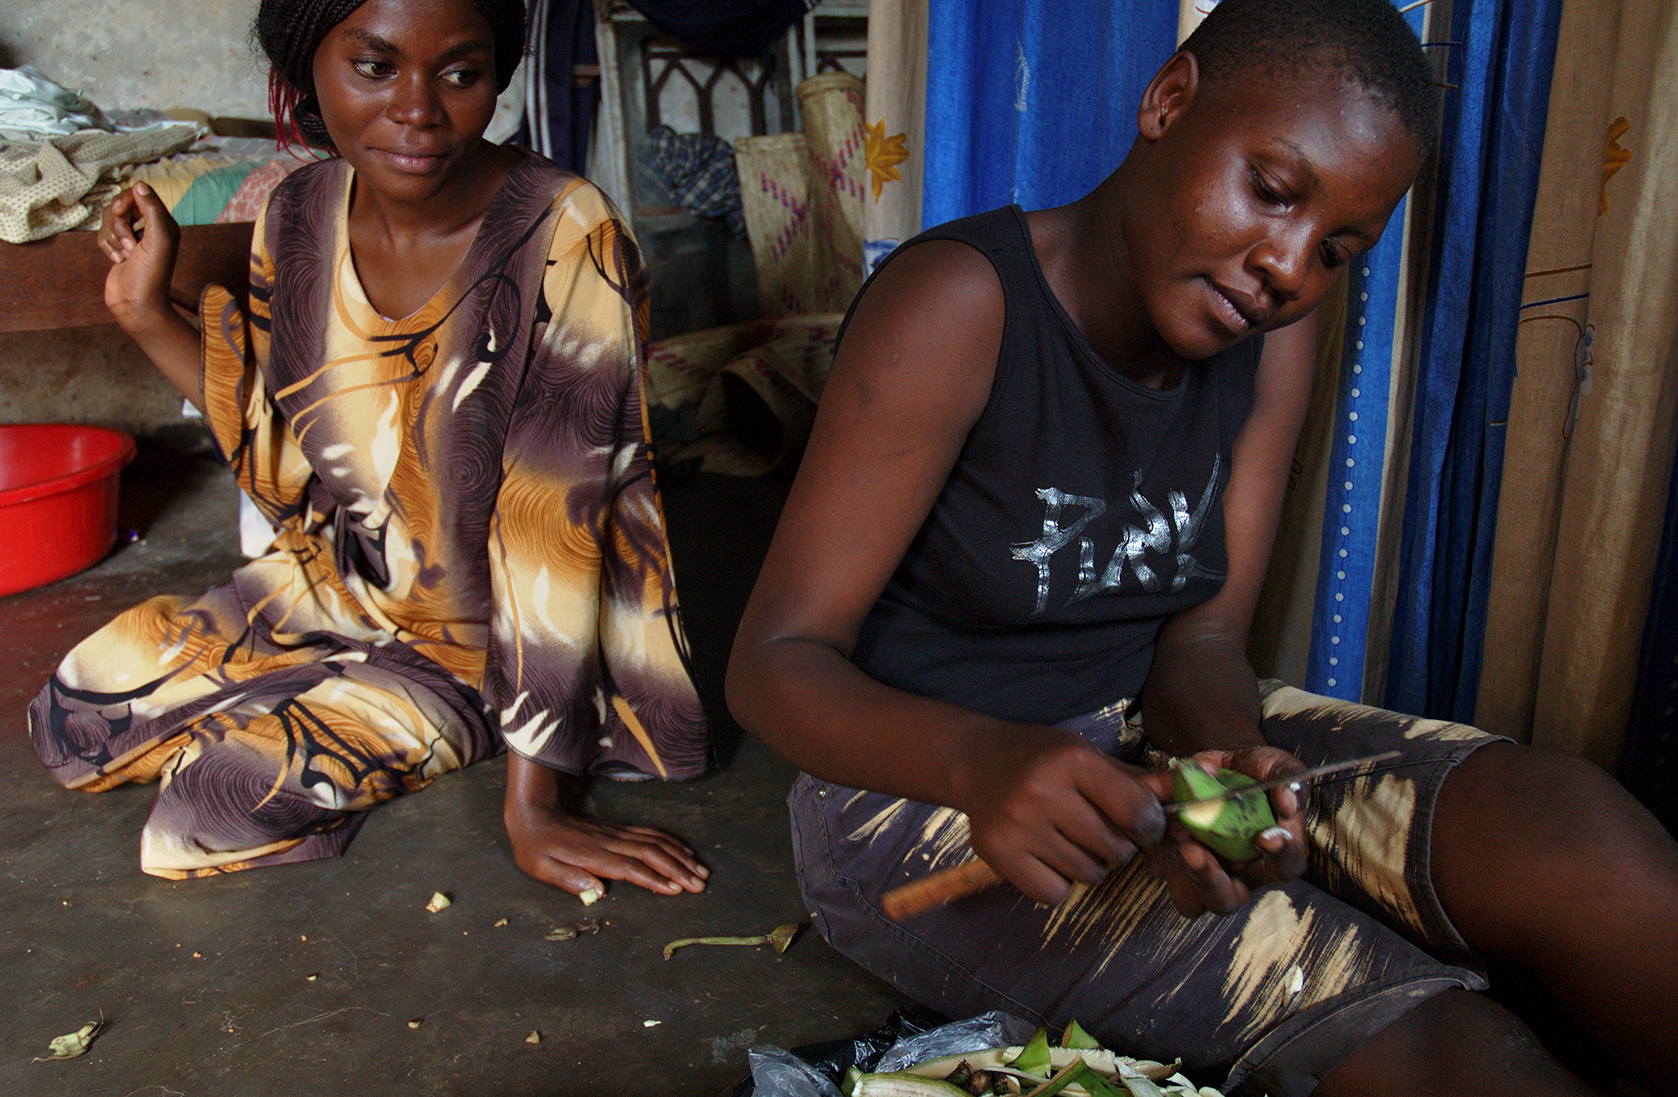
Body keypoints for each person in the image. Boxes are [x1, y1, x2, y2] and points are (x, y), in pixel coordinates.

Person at [725, 0, 1678, 1093]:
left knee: (1567, 831)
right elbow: (773, 661)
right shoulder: (960, 303)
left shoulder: (1271, 333)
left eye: (1334, 248)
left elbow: (1206, 632)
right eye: (1271, 191)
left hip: (1148, 735)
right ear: (1168, 101)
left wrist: (1226, 763)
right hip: (905, 795)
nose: (1284, 265)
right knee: (1433, 1043)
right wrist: (979, 760)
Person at [28, 0, 712, 903]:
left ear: (497, 75)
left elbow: (558, 532)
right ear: (307, 65)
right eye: (376, 68)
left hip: (488, 650)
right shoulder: (298, 213)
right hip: (347, 585)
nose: (418, 111)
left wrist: (535, 805)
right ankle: (318, 697)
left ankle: (417, 725)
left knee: (204, 810)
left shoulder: (566, 236)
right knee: (71, 713)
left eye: (459, 74)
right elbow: (284, 471)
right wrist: (145, 313)